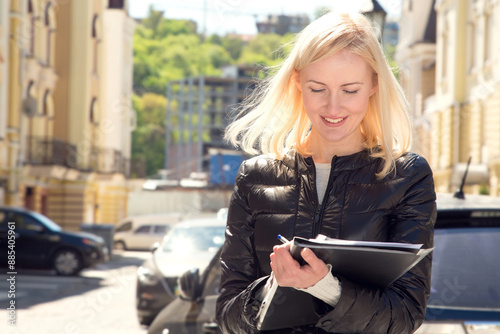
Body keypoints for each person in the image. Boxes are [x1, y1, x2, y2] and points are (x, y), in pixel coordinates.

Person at [216, 10, 436, 334]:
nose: (334, 108)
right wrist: (274, 286)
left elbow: (404, 316)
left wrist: (325, 286)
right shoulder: (254, 177)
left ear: (374, 85)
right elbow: (227, 315)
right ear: (297, 84)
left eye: (350, 90)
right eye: (318, 89)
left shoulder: (408, 178)